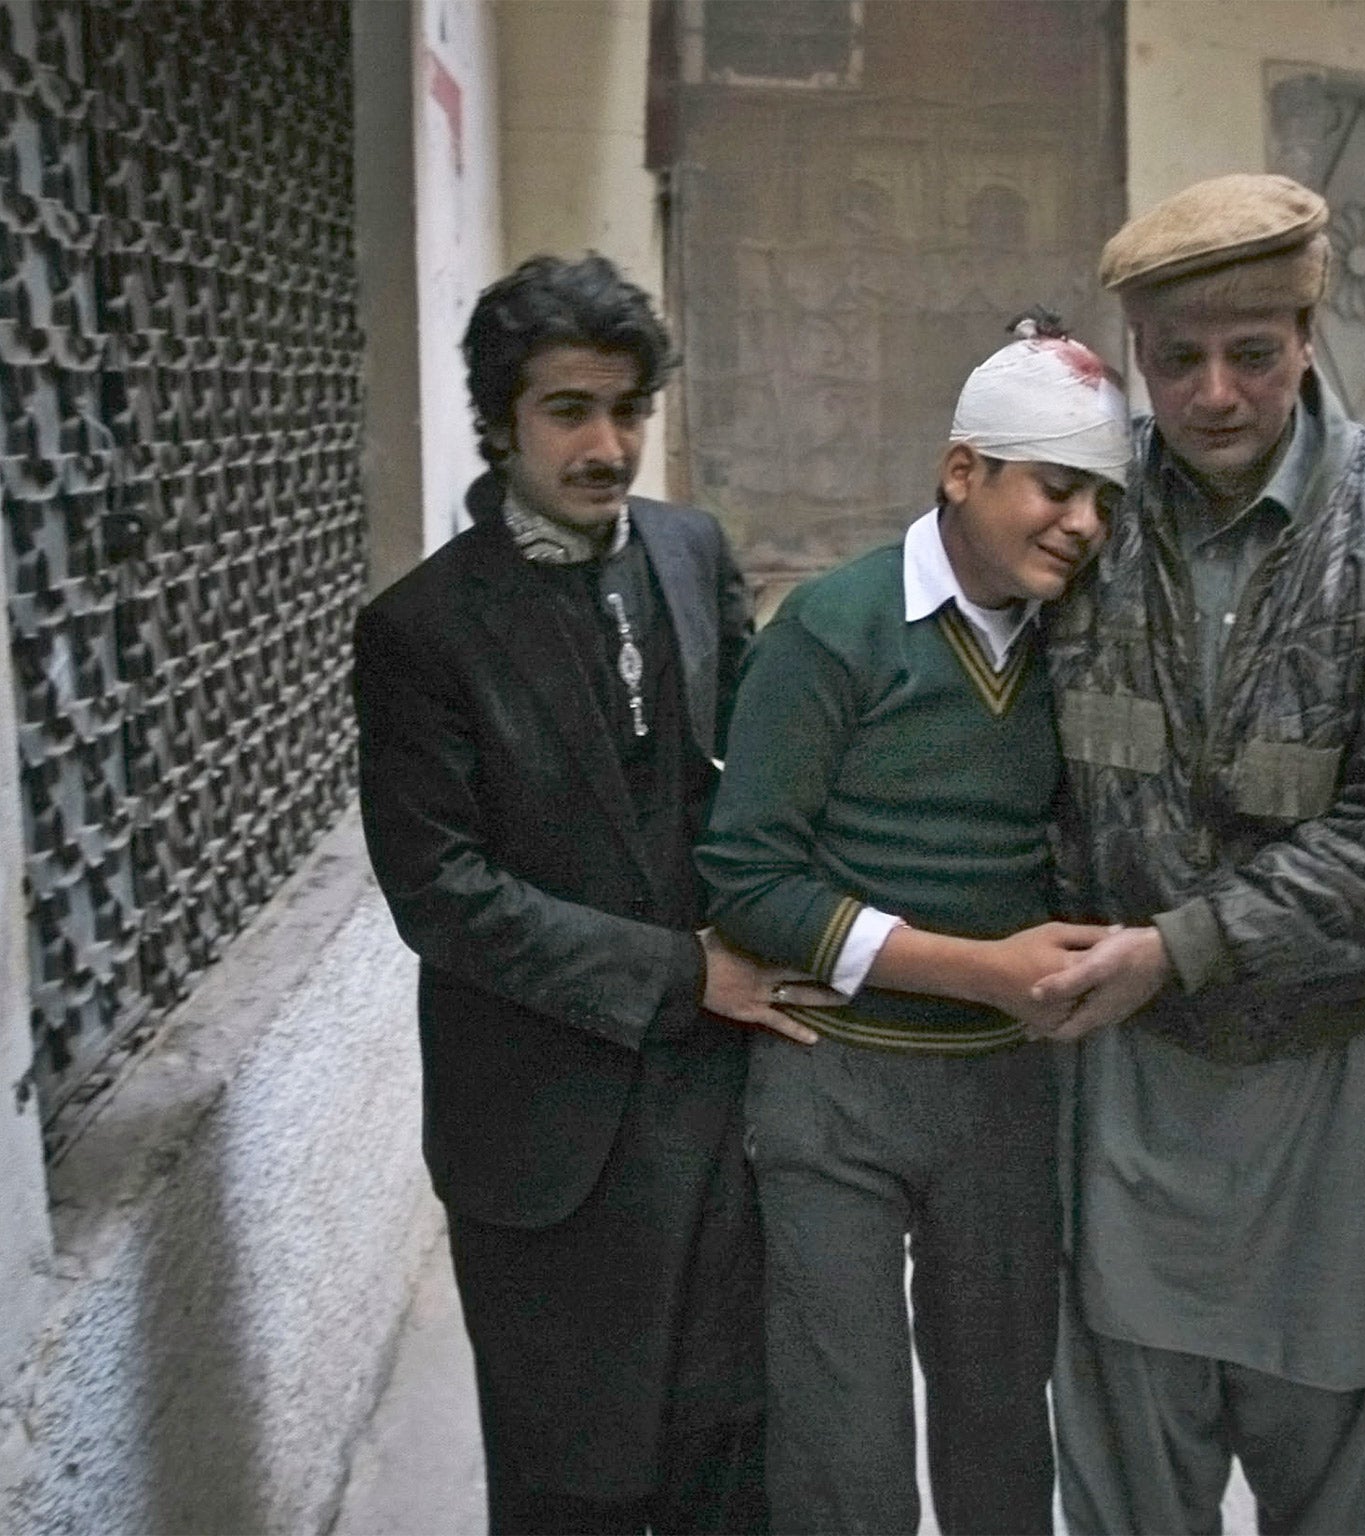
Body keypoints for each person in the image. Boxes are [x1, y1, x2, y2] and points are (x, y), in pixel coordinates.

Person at [1030, 174, 1365, 1536]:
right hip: (1132, 1103)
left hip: (1344, 1101)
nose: (1214, 394)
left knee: (1346, 1492)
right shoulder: (1075, 512)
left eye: (1252, 353)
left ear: (1309, 334)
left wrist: (1182, 945)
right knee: (1131, 1487)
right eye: (1174, 359)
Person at [353, 253, 839, 1535]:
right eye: (569, 410)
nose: (607, 443)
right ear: (499, 419)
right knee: (573, 1479)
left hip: (714, 1110)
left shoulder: (688, 550)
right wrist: (687, 973)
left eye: (628, 410)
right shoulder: (423, 629)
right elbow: (439, 891)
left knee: (730, 1454)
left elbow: (751, 774)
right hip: (543, 1128)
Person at [696, 318, 1131, 1534]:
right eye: (1055, 487)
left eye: (1100, 499)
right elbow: (747, 877)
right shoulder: (831, 628)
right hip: (832, 1090)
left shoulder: (1083, 645)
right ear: (962, 471)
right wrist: (974, 968)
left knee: (1000, 1432)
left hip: (1000, 1099)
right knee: (848, 1456)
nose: (1081, 525)